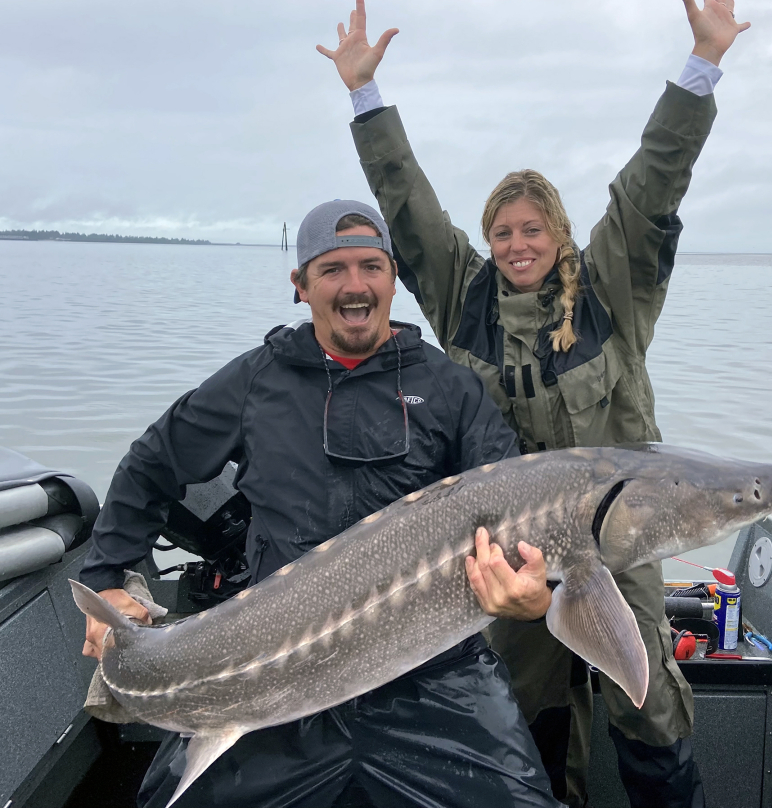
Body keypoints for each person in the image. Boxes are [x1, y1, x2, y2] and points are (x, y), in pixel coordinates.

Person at [318, 0, 750, 808]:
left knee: (650, 708)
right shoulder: (464, 300)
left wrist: (702, 65)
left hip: (621, 545)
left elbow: (650, 189)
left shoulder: (607, 298)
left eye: (532, 228)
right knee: (522, 716)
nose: (517, 244)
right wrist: (363, 94)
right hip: (513, 556)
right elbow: (408, 210)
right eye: (502, 231)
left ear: (558, 232)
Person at [78, 199, 562, 808]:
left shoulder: (452, 389)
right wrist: (106, 578)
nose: (354, 285)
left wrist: (535, 594)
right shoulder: (257, 381)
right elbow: (150, 465)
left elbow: (521, 511)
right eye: (332, 269)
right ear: (300, 287)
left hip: (433, 675)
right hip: (273, 666)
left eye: (371, 266)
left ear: (392, 280)